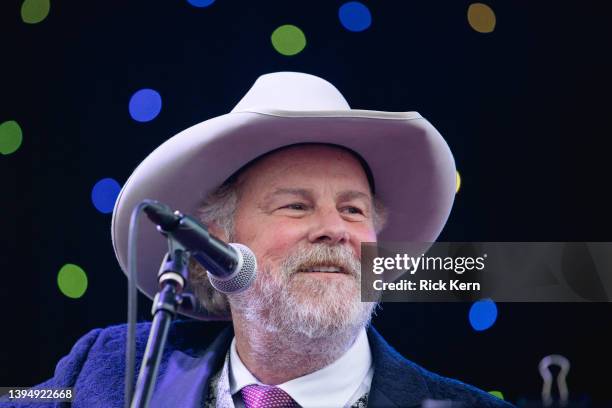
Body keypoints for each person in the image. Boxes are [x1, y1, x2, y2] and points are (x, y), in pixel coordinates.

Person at [3, 72, 513, 407]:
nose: (335, 228)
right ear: (217, 240)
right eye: (296, 205)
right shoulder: (107, 364)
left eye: (353, 210)